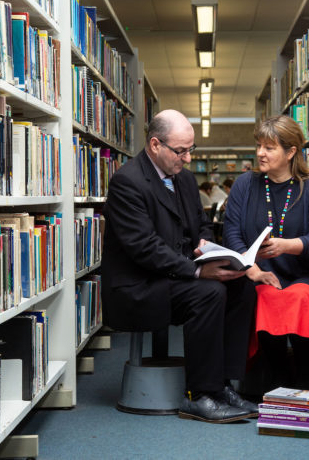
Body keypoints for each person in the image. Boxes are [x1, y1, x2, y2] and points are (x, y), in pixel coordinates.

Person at [101, 109, 258, 423]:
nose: (188, 159)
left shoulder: (184, 180)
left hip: (174, 277)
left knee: (242, 286)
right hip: (138, 286)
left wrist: (204, 245)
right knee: (209, 292)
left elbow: (200, 224)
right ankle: (200, 395)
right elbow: (145, 248)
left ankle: (223, 384)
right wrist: (198, 270)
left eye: (191, 150)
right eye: (181, 151)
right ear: (155, 144)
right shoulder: (127, 182)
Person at [223, 115, 309, 391]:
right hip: (259, 272)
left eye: (269, 147)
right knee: (265, 294)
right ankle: (273, 371)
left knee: (300, 296)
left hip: (304, 274)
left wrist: (286, 245)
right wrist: (253, 271)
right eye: (259, 145)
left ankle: (303, 372)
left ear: (291, 152)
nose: (260, 153)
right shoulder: (245, 184)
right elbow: (232, 233)